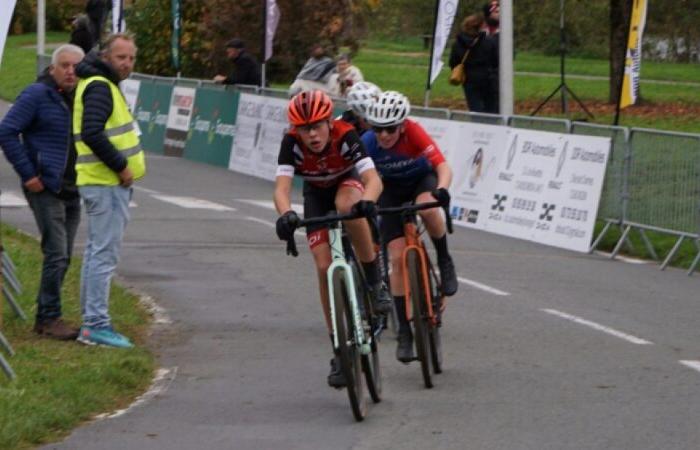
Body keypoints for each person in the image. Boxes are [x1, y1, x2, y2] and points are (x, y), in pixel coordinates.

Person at [274, 90, 392, 388]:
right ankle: (339, 350)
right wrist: (286, 214)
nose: (312, 134)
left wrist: (368, 200)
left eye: (317, 125)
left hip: (346, 183)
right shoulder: (291, 143)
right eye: (304, 128)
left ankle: (375, 282)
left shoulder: (346, 134)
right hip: (315, 193)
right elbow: (282, 189)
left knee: (347, 207)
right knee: (324, 267)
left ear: (329, 121)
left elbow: (373, 179)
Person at [362, 91, 458, 363]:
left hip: (420, 182)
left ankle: (444, 258)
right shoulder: (368, 142)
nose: (384, 135)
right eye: (378, 129)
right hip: (390, 190)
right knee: (396, 258)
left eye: (390, 129)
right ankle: (404, 332)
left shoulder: (414, 132)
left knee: (428, 207)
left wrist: (442, 189)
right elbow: (356, 176)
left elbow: (442, 165)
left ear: (402, 125)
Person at [0, 44, 85, 340]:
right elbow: (7, 130)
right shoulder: (37, 94)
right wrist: (28, 174)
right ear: (53, 68)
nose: (71, 71)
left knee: (65, 255)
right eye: (64, 65)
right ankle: (48, 318)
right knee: (56, 254)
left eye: (76, 66)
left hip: (74, 187)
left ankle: (48, 313)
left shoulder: (84, 97)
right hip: (45, 186)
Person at [73, 33, 146, 348]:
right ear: (105, 58)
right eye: (121, 58)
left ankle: (92, 322)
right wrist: (121, 167)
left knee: (95, 253)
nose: (127, 63)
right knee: (103, 254)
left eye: (131, 58)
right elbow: (92, 132)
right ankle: (96, 325)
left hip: (101, 182)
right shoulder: (101, 86)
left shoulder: (101, 83)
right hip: (106, 182)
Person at [449, 14, 498, 114]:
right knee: (491, 110)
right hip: (488, 80)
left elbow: (453, 62)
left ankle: (477, 128)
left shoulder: (458, 43)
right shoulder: (489, 42)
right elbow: (495, 61)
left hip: (469, 80)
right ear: (480, 26)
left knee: (475, 110)